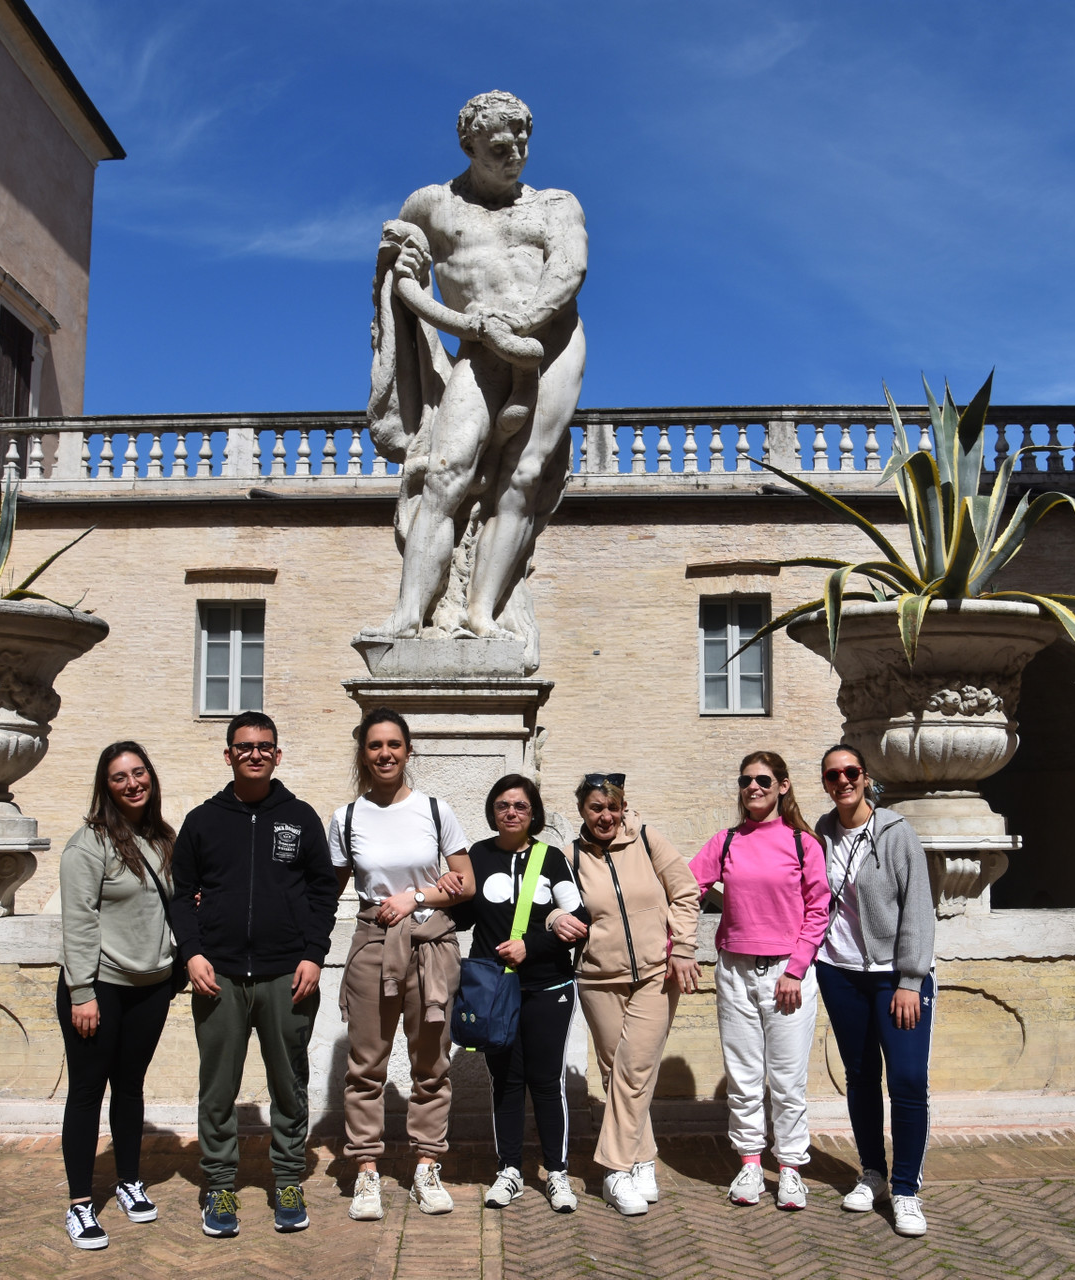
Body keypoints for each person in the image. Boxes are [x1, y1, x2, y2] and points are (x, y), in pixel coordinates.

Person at [364, 90, 588, 653]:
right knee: (443, 473)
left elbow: (569, 270)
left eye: (522, 144)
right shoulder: (431, 205)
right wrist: (403, 267)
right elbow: (399, 269)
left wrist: (519, 325)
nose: (515, 155)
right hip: (479, 348)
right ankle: (407, 616)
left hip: (551, 345)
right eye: (499, 147)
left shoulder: (556, 205)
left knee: (523, 476)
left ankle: (482, 613)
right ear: (469, 145)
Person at [168, 711, 339, 1239]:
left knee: (289, 1085)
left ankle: (288, 1181)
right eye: (244, 746)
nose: (255, 754)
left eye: (265, 746)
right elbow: (180, 895)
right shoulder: (202, 820)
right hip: (217, 976)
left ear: (277, 755)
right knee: (218, 1089)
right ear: (228, 755)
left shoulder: (300, 818)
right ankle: (220, 1186)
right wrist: (192, 954)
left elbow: (323, 891)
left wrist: (314, 954)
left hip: (288, 975)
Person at [330, 708, 474, 1220]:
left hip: (430, 946)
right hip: (372, 944)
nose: (385, 753)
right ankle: (366, 1170)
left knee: (431, 1065)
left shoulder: (435, 810)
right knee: (365, 1066)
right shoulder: (346, 818)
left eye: (394, 744)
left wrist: (417, 896)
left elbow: (466, 883)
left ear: (408, 750)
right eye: (375, 745)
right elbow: (325, 888)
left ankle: (427, 1166)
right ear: (363, 753)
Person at [688, 751, 829, 1210]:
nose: (753, 787)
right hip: (734, 970)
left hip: (788, 973)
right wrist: (677, 945)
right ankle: (750, 1163)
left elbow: (818, 910)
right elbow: (687, 891)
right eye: (746, 780)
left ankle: (790, 1169)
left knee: (787, 1082)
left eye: (764, 780)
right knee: (744, 1077)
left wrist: (795, 969)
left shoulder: (803, 843)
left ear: (782, 786)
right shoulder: (726, 841)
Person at [56, 742, 179, 1250]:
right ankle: (81, 1203)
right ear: (105, 787)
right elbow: (79, 921)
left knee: (130, 1088)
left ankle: (129, 1180)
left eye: (139, 772)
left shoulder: (162, 838)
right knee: (87, 1093)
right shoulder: (89, 844)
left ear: (151, 776)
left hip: (151, 988)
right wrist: (82, 992)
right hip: (99, 988)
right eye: (119, 777)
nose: (132, 783)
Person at [810, 745, 936, 1238]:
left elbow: (918, 908)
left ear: (865, 777)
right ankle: (873, 1173)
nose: (843, 780)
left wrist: (909, 979)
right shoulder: (821, 833)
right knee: (861, 1076)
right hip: (839, 970)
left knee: (907, 1079)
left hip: (894, 976)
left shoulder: (896, 832)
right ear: (825, 783)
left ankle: (905, 1189)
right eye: (833, 775)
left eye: (851, 772)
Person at [564, 773, 699, 1216]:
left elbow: (686, 892)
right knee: (615, 1073)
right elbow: (550, 905)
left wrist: (683, 947)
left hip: (656, 974)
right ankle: (642, 1158)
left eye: (613, 807)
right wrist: (553, 921)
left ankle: (614, 1170)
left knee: (635, 1068)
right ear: (582, 811)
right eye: (596, 808)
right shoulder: (569, 856)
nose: (606, 816)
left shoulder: (647, 840)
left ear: (623, 807)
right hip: (597, 977)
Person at [465, 775, 588, 1214]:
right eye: (502, 805)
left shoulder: (551, 858)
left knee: (546, 1080)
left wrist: (531, 945)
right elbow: (462, 915)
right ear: (492, 812)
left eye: (520, 805)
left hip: (547, 986)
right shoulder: (478, 855)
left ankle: (556, 1171)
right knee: (506, 1081)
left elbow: (579, 919)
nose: (511, 812)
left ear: (533, 812)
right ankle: (510, 1170)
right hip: (495, 989)